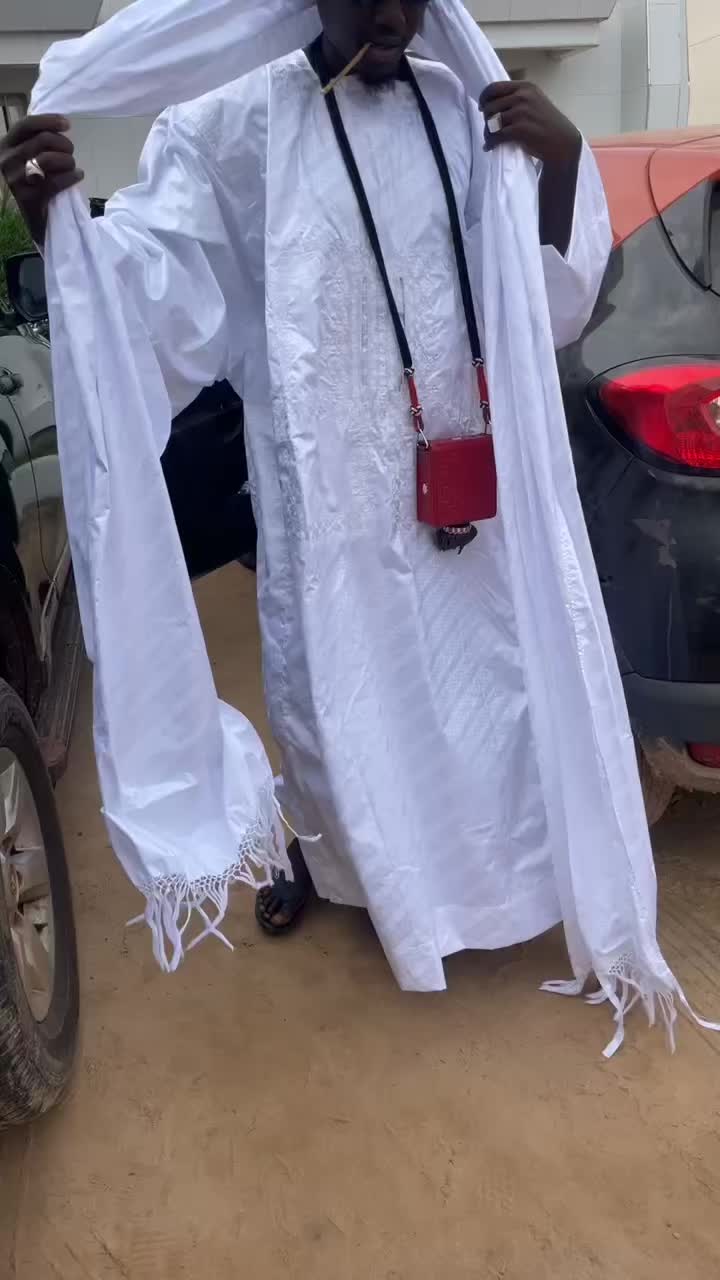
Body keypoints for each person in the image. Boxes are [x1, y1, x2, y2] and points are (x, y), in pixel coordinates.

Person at [1, 0, 611, 992]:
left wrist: (566, 165)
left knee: (479, 697)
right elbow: (161, 287)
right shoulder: (235, 124)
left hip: (461, 493)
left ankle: (484, 885)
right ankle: (329, 865)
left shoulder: (466, 113)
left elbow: (544, 302)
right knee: (336, 707)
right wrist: (62, 230)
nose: (390, 14)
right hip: (327, 503)